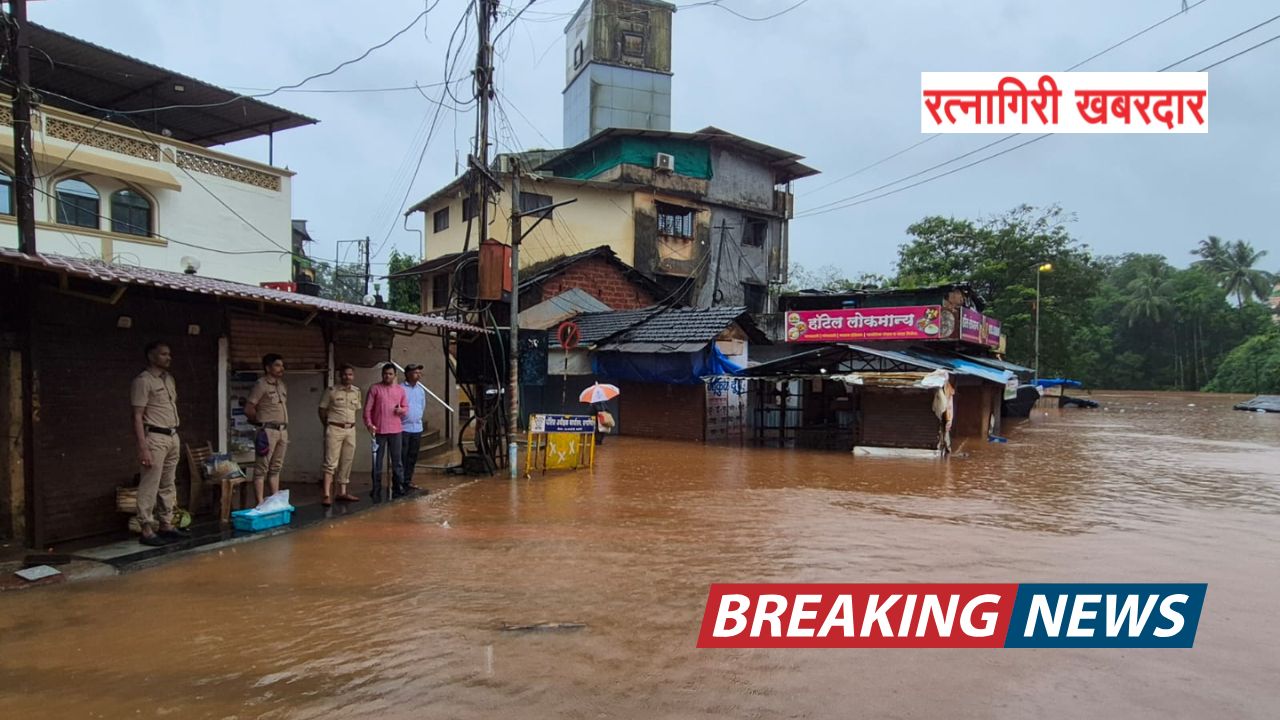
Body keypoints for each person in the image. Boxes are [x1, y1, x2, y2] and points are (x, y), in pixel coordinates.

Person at [131, 341, 187, 546]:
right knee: (150, 483)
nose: (168, 357)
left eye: (169, 353)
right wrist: (143, 447)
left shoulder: (168, 379)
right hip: (154, 437)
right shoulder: (143, 381)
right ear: (151, 356)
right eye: (163, 354)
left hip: (172, 435)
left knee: (168, 483)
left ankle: (166, 524)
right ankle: (146, 528)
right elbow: (137, 416)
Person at [246, 353, 289, 505]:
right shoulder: (261, 384)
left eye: (282, 365)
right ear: (268, 368)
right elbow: (249, 408)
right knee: (261, 469)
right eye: (277, 365)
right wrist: (259, 423)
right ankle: (259, 502)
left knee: (276, 468)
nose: (281, 368)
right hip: (267, 430)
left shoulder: (281, 385)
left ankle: (275, 501)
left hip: (282, 430)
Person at [318, 364, 362, 507]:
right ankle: (326, 494)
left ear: (353, 376)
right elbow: (322, 409)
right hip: (335, 428)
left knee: (347, 460)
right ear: (339, 376)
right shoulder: (331, 391)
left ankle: (342, 492)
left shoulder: (356, 392)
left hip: (350, 429)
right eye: (345, 374)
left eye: (350, 374)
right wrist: (328, 424)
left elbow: (356, 410)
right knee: (331, 462)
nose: (347, 377)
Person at [364, 363, 407, 503]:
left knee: (397, 462)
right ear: (382, 374)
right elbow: (367, 409)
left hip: (396, 430)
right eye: (385, 374)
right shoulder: (375, 388)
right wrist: (369, 424)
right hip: (379, 431)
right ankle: (376, 488)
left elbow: (406, 407)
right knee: (377, 462)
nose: (387, 376)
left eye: (390, 374)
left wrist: (401, 410)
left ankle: (398, 486)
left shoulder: (400, 390)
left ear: (395, 375)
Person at [400, 363, 427, 494]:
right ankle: (399, 481)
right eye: (415, 372)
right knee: (402, 456)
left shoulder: (420, 390)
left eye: (419, 372)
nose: (418, 375)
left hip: (417, 428)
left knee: (413, 456)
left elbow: (422, 406)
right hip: (403, 428)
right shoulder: (400, 389)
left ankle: (408, 480)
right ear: (408, 374)